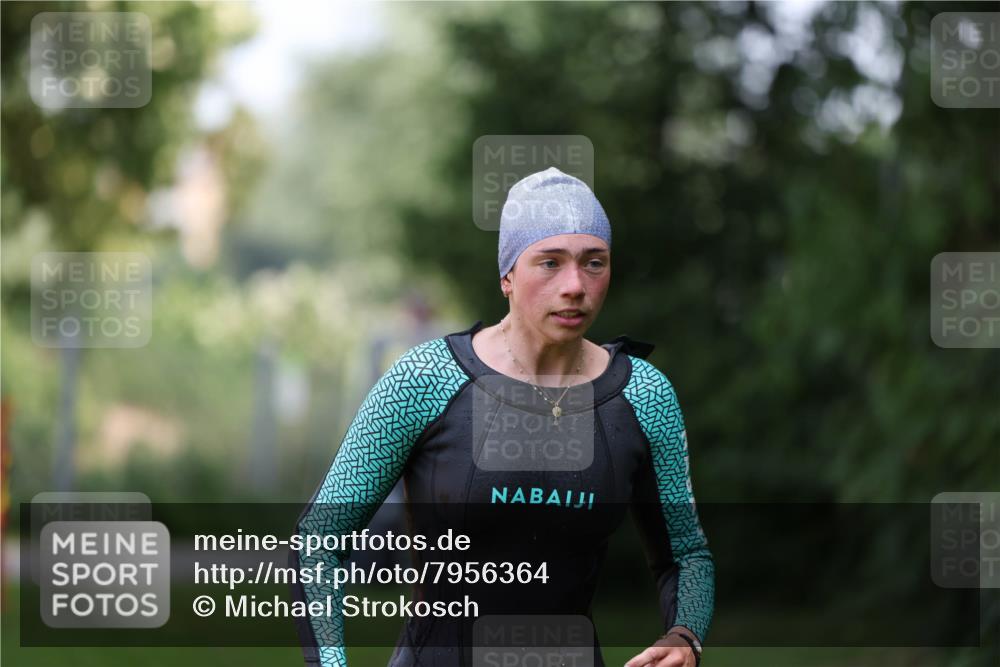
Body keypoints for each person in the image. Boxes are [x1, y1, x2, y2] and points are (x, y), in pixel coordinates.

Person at [292, 167, 715, 667]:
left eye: (593, 263)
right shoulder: (425, 379)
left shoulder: (644, 394)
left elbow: (686, 554)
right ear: (508, 276)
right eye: (550, 263)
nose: (575, 285)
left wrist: (685, 636)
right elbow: (317, 542)